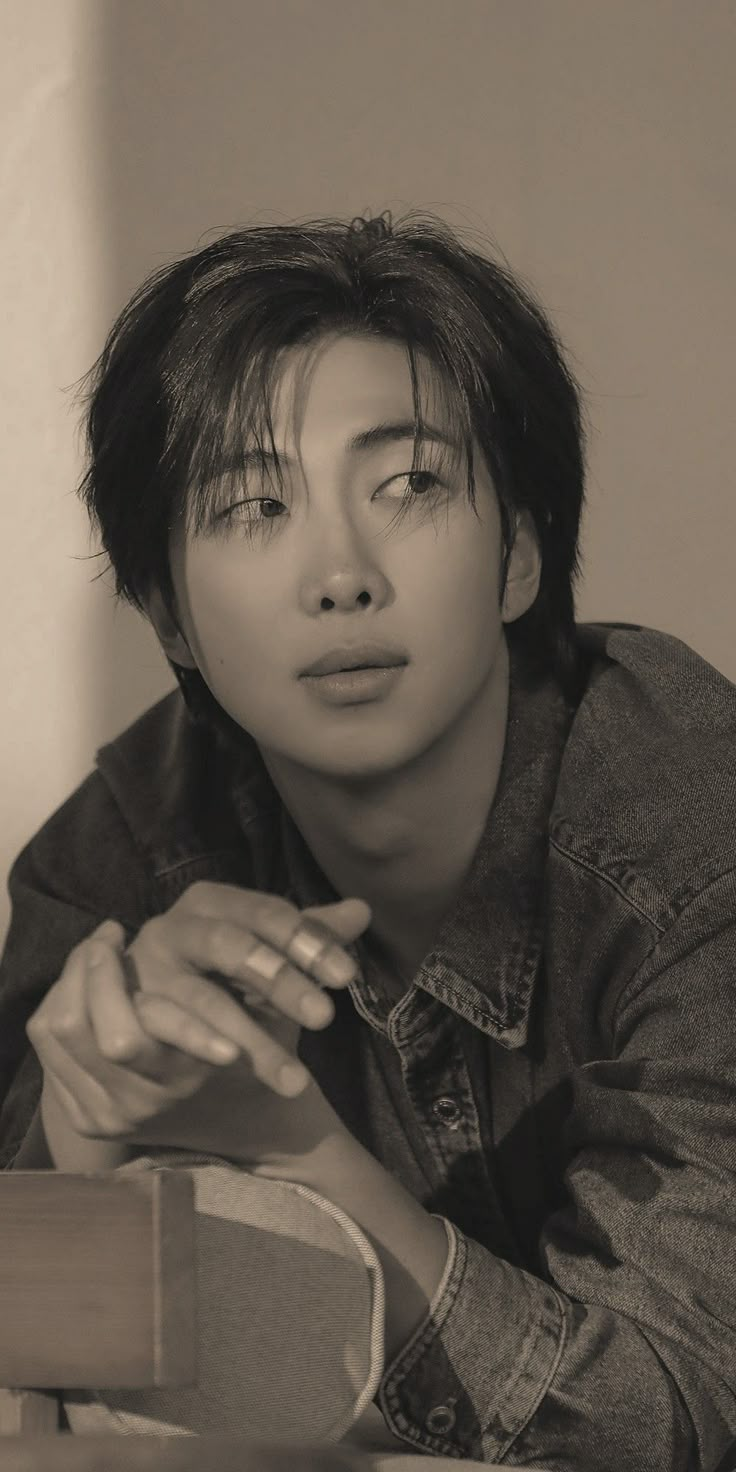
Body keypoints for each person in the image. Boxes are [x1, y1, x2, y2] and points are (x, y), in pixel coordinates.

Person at [1, 209, 735, 1470]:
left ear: (516, 553)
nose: (339, 574)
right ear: (167, 610)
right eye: (251, 503)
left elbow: (678, 1419)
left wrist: (290, 1145)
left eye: (408, 485)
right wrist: (92, 1130)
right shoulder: (131, 850)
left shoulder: (693, 843)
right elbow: (38, 1385)